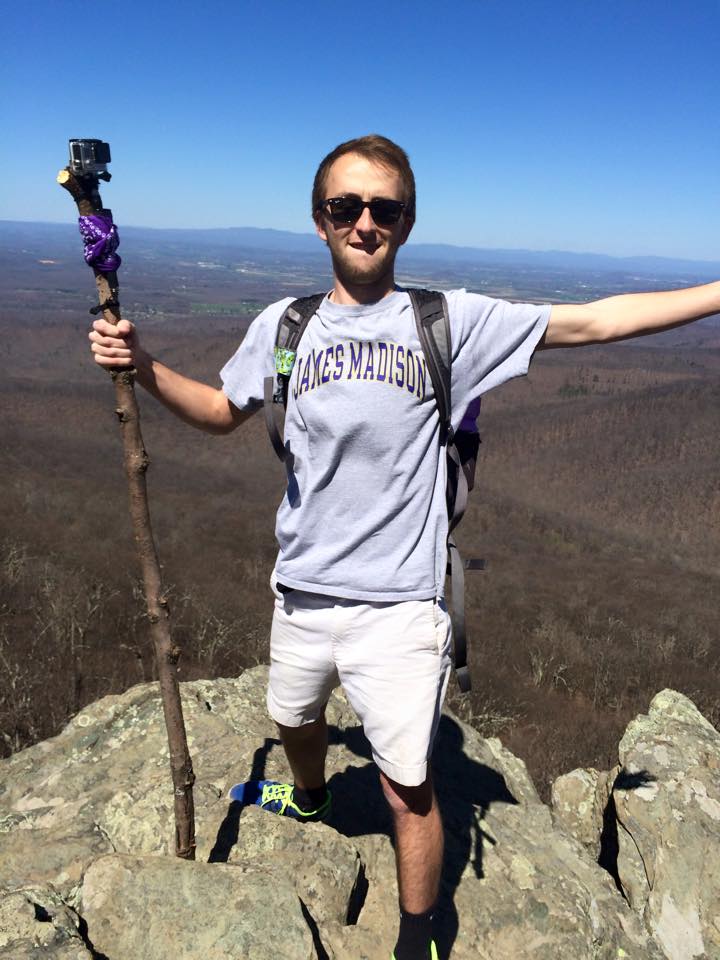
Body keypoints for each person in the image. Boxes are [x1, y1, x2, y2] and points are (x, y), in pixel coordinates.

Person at [89, 134, 720, 960]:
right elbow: (219, 411)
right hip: (304, 589)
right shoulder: (284, 326)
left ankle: (418, 932)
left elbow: (597, 320)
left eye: (382, 209)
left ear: (407, 222)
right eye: (343, 207)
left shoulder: (447, 322)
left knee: (406, 786)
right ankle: (311, 798)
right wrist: (141, 364)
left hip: (400, 605)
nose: (362, 223)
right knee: (293, 717)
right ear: (318, 221)